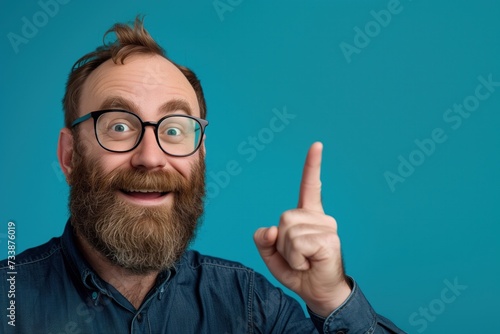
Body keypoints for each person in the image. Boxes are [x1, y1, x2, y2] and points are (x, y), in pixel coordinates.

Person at [0, 17, 404, 333]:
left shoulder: (252, 308)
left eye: (174, 130)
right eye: (119, 126)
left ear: (200, 155)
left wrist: (332, 300)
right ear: (70, 156)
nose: (150, 157)